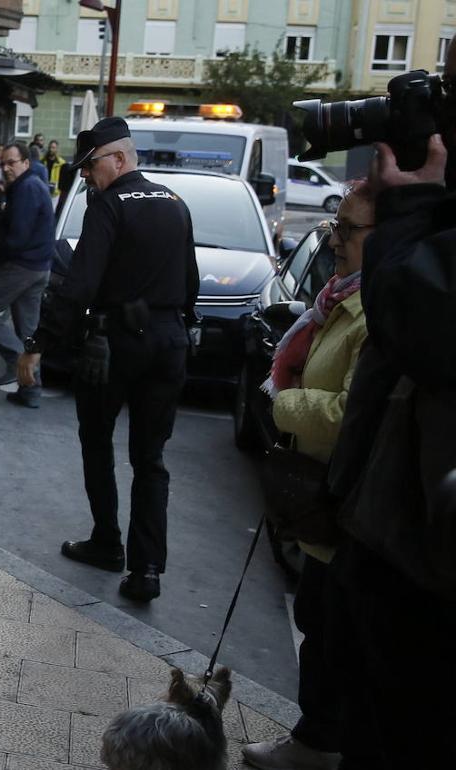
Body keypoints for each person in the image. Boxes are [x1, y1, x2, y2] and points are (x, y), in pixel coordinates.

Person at [320, 51, 456, 767]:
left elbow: (415, 327)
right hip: (390, 528)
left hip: (425, 551)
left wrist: (408, 208)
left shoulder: (414, 230)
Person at [16, 117, 198, 602]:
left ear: (118, 158)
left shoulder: (109, 205)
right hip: (168, 341)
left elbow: (78, 286)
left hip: (116, 343)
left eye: (91, 166)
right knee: (150, 458)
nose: (86, 177)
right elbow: (192, 282)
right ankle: (147, 571)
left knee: (97, 441)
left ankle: (106, 543)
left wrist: (37, 345)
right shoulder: (175, 203)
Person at [241, 184, 371, 770]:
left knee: (332, 632)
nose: (335, 239)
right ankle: (318, 737)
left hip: (347, 503)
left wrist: (285, 404)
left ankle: (319, 743)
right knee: (318, 622)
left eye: (349, 230)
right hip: (323, 499)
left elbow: (348, 413)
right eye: (336, 225)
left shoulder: (372, 313)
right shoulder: (338, 297)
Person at [0, 140, 55, 408]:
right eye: (3, 163)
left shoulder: (27, 188)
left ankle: (19, 360)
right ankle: (30, 391)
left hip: (21, 267)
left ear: (26, 163)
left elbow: (17, 236)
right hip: (35, 267)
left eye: (12, 163)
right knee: (28, 331)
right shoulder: (27, 185)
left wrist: (2, 248)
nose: (6, 168)